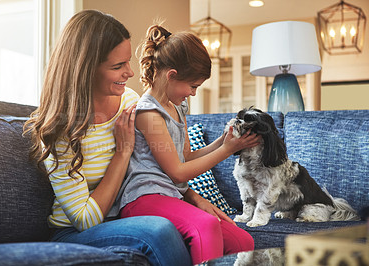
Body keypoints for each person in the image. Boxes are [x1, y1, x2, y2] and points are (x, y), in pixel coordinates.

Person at [24, 10, 191, 266]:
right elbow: (85, 220)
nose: (130, 73)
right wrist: (123, 153)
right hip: (75, 233)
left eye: (128, 61)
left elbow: (158, 167)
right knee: (159, 231)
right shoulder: (59, 131)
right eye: (118, 66)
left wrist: (194, 199)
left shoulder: (130, 102)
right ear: (86, 70)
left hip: (127, 215)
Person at [110, 25, 260, 264]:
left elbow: (186, 157)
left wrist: (224, 141)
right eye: (193, 86)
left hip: (170, 196)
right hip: (143, 198)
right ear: (171, 75)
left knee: (243, 242)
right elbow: (177, 171)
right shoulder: (149, 113)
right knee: (205, 225)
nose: (193, 94)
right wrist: (226, 151)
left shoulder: (178, 106)